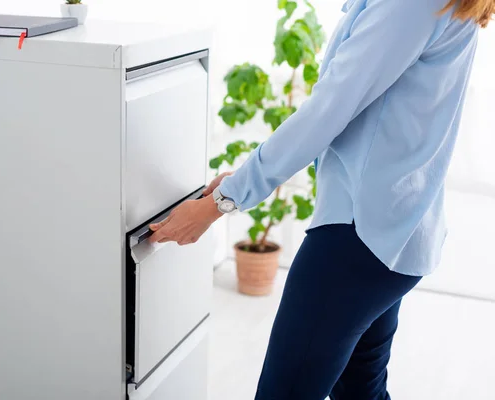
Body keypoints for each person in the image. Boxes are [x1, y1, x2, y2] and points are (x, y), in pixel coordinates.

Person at [149, 0, 495, 398]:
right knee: (362, 393)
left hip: (359, 239)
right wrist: (240, 180)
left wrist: (223, 201)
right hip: (397, 231)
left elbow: (330, 109)